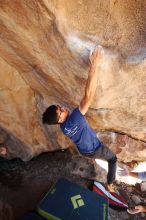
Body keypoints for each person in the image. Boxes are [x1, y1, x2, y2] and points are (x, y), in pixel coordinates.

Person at [42, 46, 117, 191]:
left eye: (60, 107)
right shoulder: (75, 117)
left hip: (84, 150)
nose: (63, 108)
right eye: (61, 111)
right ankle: (110, 183)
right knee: (113, 159)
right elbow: (89, 95)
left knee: (96, 145)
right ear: (59, 119)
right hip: (95, 148)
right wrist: (95, 64)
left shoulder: (64, 128)